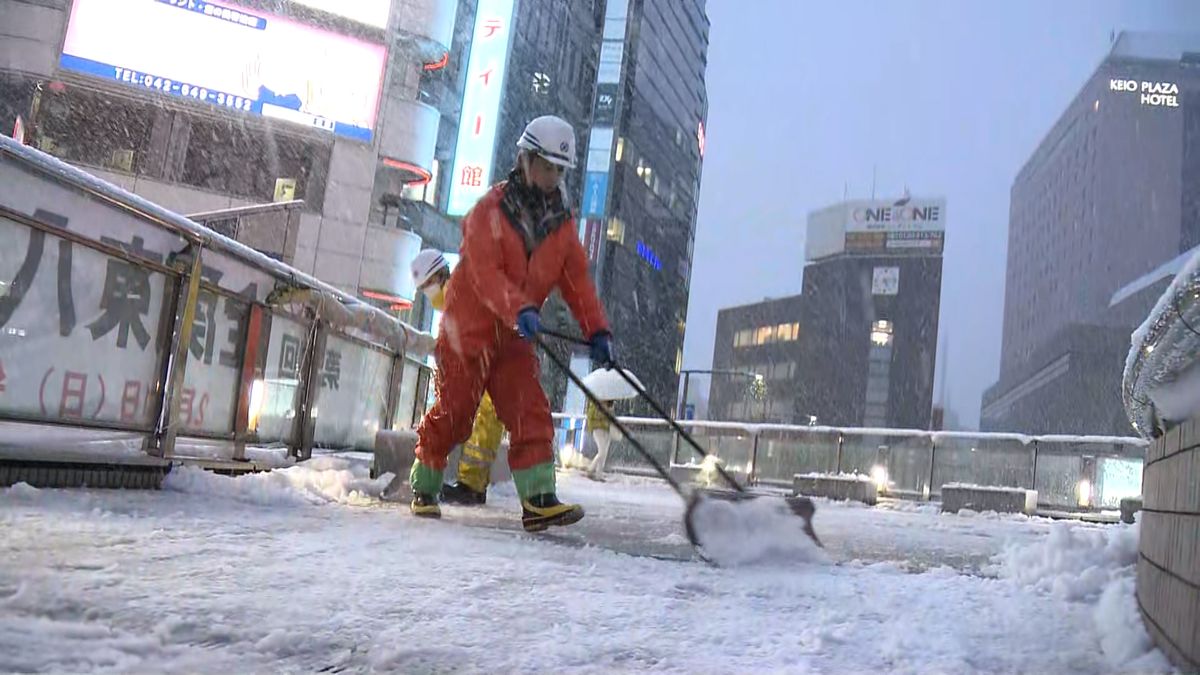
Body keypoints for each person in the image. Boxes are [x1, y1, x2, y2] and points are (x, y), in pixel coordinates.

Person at [408, 115, 615, 532]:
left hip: (515, 336)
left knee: (529, 409)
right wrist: (518, 306)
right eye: (547, 166)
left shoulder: (560, 226)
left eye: (560, 170)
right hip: (469, 331)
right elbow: (484, 273)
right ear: (526, 160)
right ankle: (424, 483)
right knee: (456, 414)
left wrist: (597, 330)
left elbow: (577, 282)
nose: (553, 176)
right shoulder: (490, 209)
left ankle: (538, 500)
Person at [410, 249, 501, 505]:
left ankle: (471, 485)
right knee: (481, 417)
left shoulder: (458, 297)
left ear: (439, 275)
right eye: (423, 288)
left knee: (483, 416)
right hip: (487, 366)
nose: (427, 293)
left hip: (486, 369)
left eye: (427, 285)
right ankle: (472, 484)